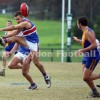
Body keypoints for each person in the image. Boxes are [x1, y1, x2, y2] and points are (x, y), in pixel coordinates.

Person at [0, 11, 51, 88]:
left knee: (36, 63)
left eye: (18, 19)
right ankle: (4, 41)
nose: (17, 21)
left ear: (22, 17)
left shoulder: (25, 23)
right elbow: (14, 33)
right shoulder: (21, 26)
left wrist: (1, 29)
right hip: (27, 44)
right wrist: (4, 37)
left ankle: (45, 75)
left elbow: (13, 27)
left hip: (34, 45)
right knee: (16, 38)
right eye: (16, 19)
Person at [73, 16, 100, 98]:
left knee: (86, 78)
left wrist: (82, 50)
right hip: (87, 56)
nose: (77, 24)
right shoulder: (85, 31)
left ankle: (95, 92)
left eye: (77, 23)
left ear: (80, 24)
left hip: (93, 56)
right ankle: (95, 92)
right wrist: (78, 41)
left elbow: (94, 44)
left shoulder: (88, 32)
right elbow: (87, 42)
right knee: (85, 76)